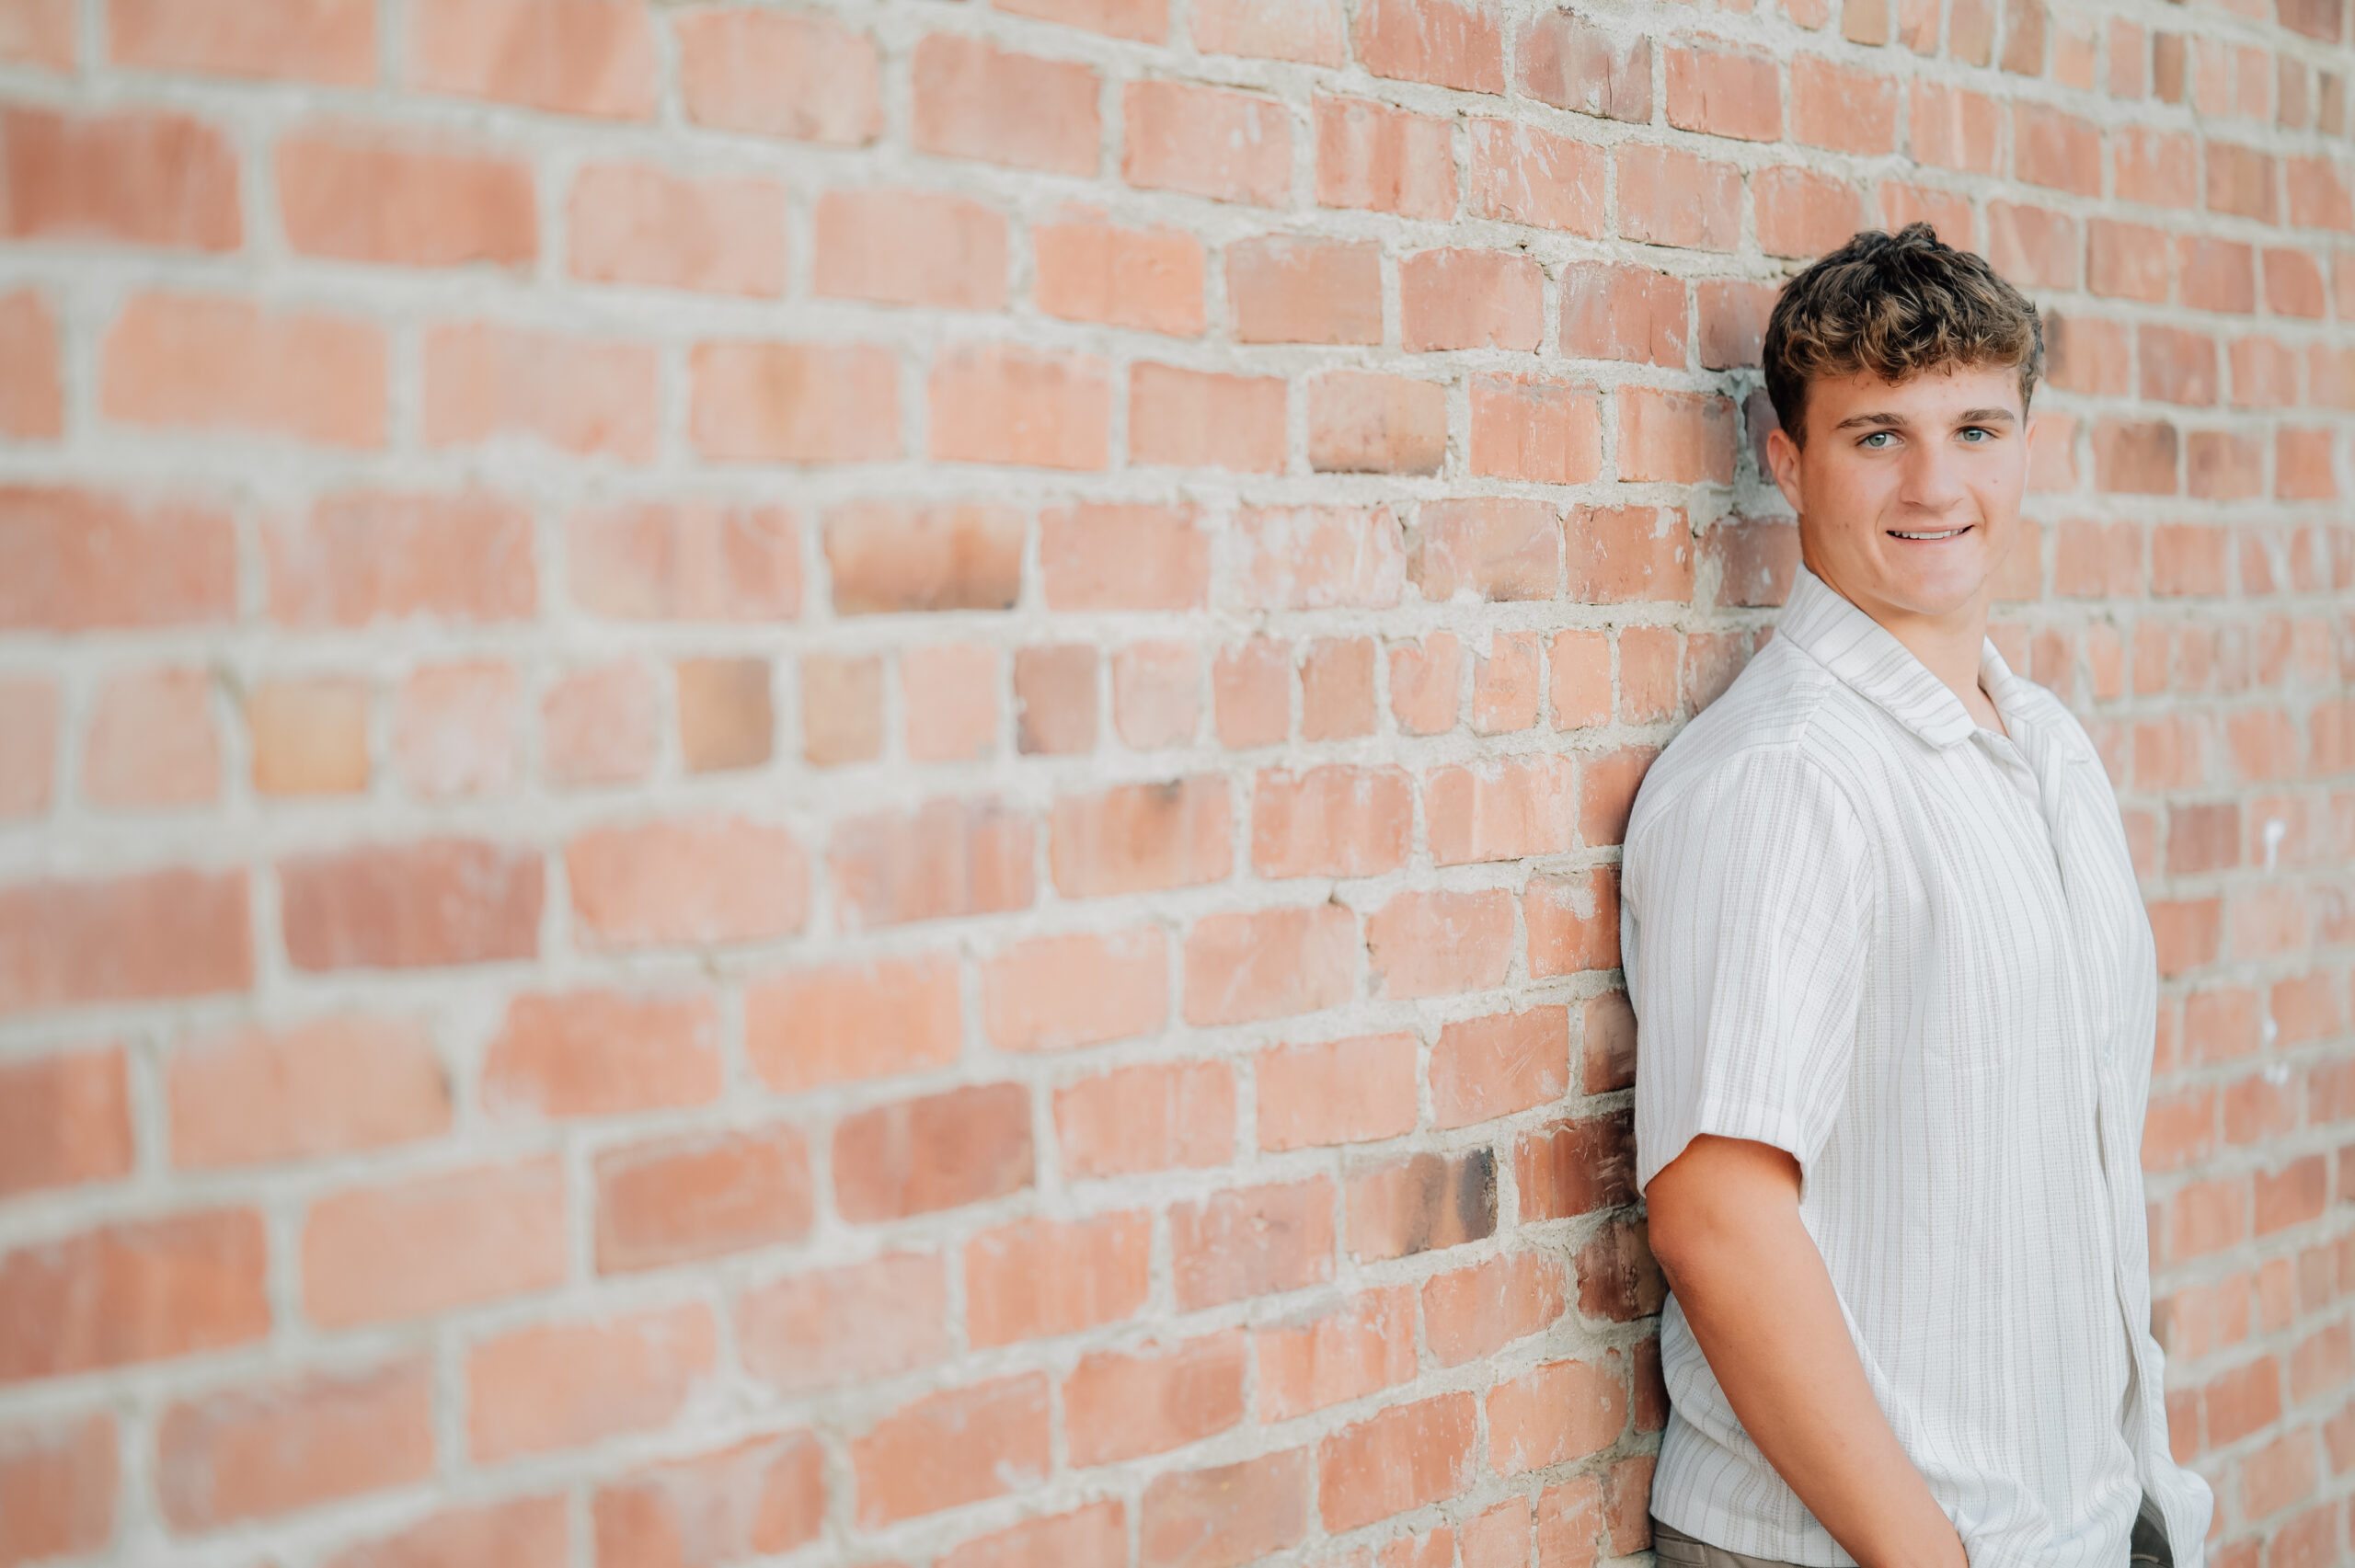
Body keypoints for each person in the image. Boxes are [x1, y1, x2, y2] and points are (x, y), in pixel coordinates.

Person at [1621, 223, 2212, 1568]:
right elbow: (1717, 1214)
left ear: (2029, 442)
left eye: (1978, 429)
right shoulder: (1788, 777)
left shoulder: (2047, 747)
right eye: (1878, 434)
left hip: (2081, 1516)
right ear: (1789, 460)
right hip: (1859, 1549)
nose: (1938, 482)